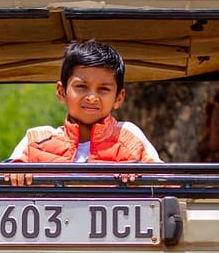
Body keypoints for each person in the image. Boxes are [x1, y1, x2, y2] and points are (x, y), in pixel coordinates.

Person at [8, 40, 159, 185]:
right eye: (81, 86)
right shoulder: (36, 139)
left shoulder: (128, 136)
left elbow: (166, 182)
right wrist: (16, 173)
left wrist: (140, 177)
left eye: (104, 89)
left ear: (119, 98)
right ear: (61, 92)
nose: (92, 98)